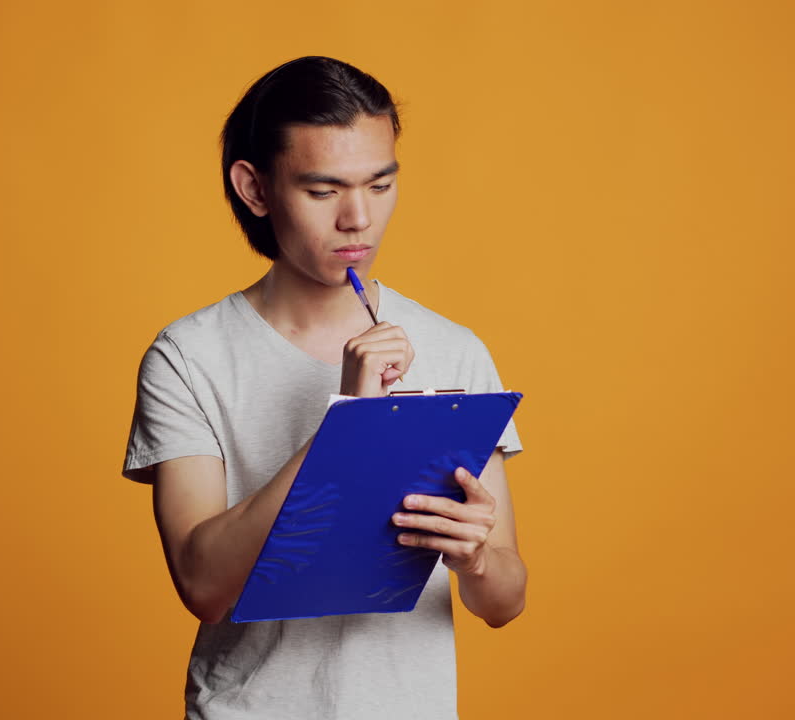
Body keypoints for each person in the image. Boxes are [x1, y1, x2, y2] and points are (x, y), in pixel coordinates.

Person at [122, 55, 526, 719]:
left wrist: (476, 557)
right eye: (322, 190)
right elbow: (202, 584)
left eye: (380, 184)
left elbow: (506, 601)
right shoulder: (188, 357)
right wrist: (346, 429)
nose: (358, 219)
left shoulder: (455, 349)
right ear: (256, 189)